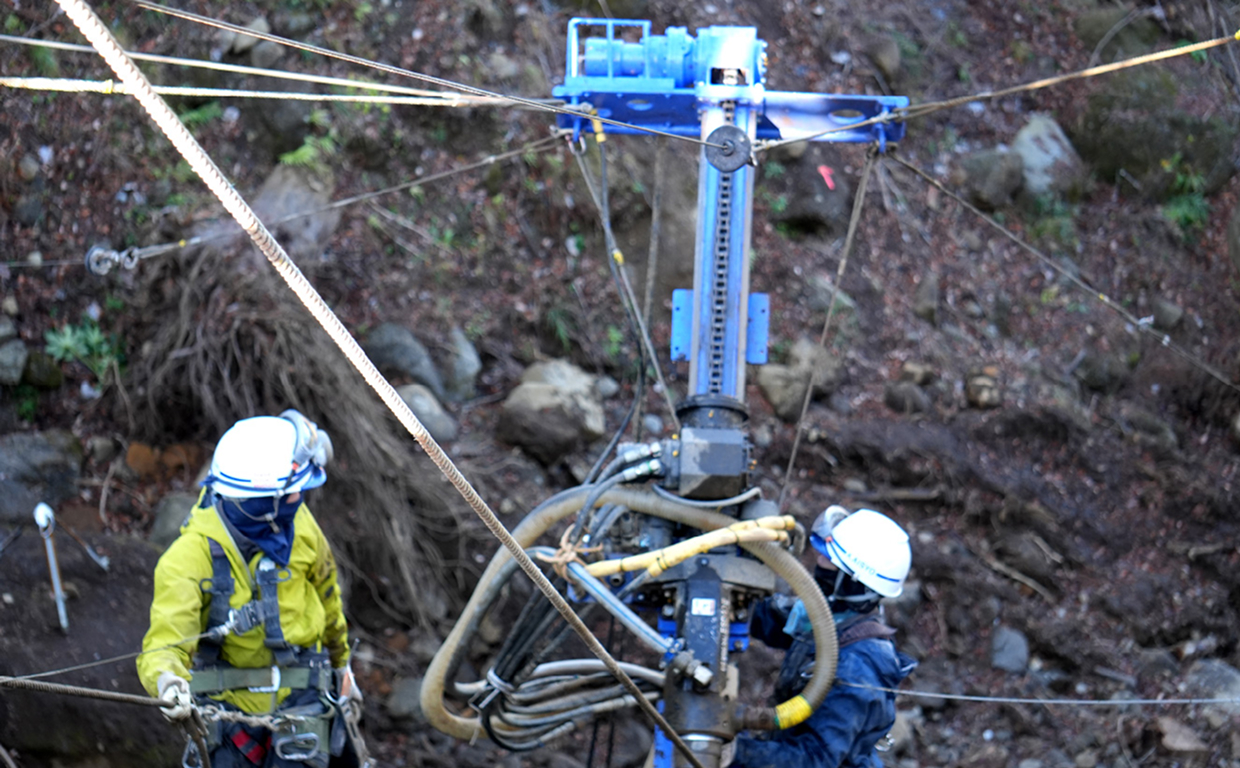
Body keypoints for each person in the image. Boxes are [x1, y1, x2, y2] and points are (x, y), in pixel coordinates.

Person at [137, 410, 363, 768]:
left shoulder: (301, 527)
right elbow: (164, 644)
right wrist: (168, 683)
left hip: (304, 699)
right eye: (293, 492)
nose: (301, 497)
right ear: (264, 505)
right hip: (230, 718)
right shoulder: (188, 558)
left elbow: (327, 597)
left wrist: (342, 666)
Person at [727, 506, 917, 768]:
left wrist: (734, 753)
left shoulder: (857, 668)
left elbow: (815, 760)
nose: (818, 561)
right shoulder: (838, 617)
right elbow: (770, 620)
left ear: (852, 581)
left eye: (829, 559)